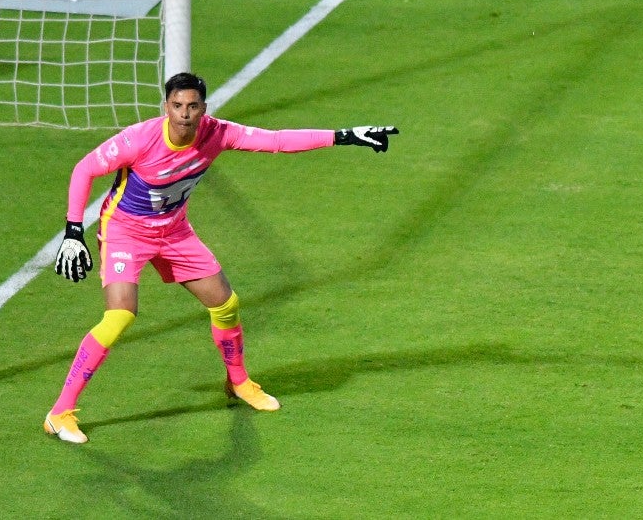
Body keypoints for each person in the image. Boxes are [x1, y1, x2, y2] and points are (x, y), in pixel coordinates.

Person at [44, 72, 397, 443]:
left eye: (192, 106)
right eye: (177, 106)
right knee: (120, 314)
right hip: (126, 232)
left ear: (203, 109)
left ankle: (239, 382)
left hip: (175, 231)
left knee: (225, 303)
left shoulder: (218, 133)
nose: (184, 114)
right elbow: (84, 168)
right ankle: (60, 413)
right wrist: (72, 231)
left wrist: (344, 135)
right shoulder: (140, 139)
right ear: (166, 107)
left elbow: (276, 141)